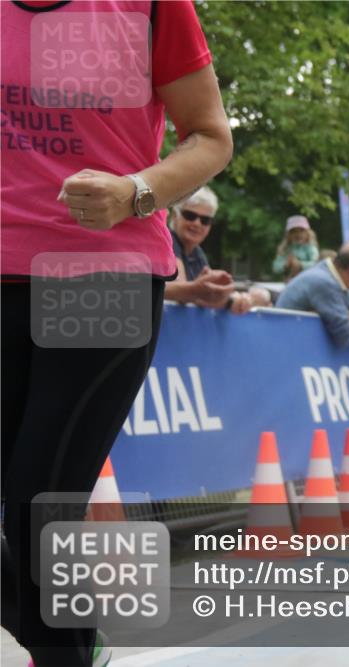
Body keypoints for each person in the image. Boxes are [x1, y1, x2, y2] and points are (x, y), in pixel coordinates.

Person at [1, 1, 233, 664]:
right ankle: (68, 638)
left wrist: (137, 189)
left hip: (102, 275)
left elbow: (211, 136)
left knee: (38, 504)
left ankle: (64, 649)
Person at [165, 187, 269, 313]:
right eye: (190, 216)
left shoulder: (197, 254)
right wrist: (230, 301)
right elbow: (183, 291)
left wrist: (239, 298)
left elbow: (206, 292)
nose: (197, 223)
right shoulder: (167, 242)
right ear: (175, 216)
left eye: (205, 220)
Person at [276, 242, 349, 348]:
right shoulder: (325, 282)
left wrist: (346, 315)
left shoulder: (336, 277)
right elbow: (343, 336)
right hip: (288, 344)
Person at [272, 214, 319, 281]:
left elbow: (316, 264)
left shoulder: (311, 248)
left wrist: (300, 264)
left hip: (307, 280)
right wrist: (286, 264)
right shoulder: (285, 249)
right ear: (289, 235)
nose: (298, 234)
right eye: (294, 231)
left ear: (308, 233)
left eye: (301, 231)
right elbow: (276, 267)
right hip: (290, 281)